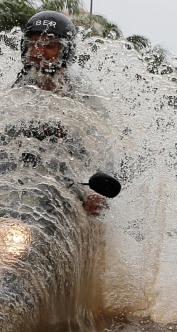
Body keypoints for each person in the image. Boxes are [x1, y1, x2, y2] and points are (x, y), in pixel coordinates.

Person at [15, 10, 107, 216]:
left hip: (69, 190)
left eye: (49, 46)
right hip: (19, 189)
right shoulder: (16, 91)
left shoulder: (84, 96)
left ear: (65, 51)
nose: (38, 52)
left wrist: (93, 192)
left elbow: (102, 148)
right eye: (33, 44)